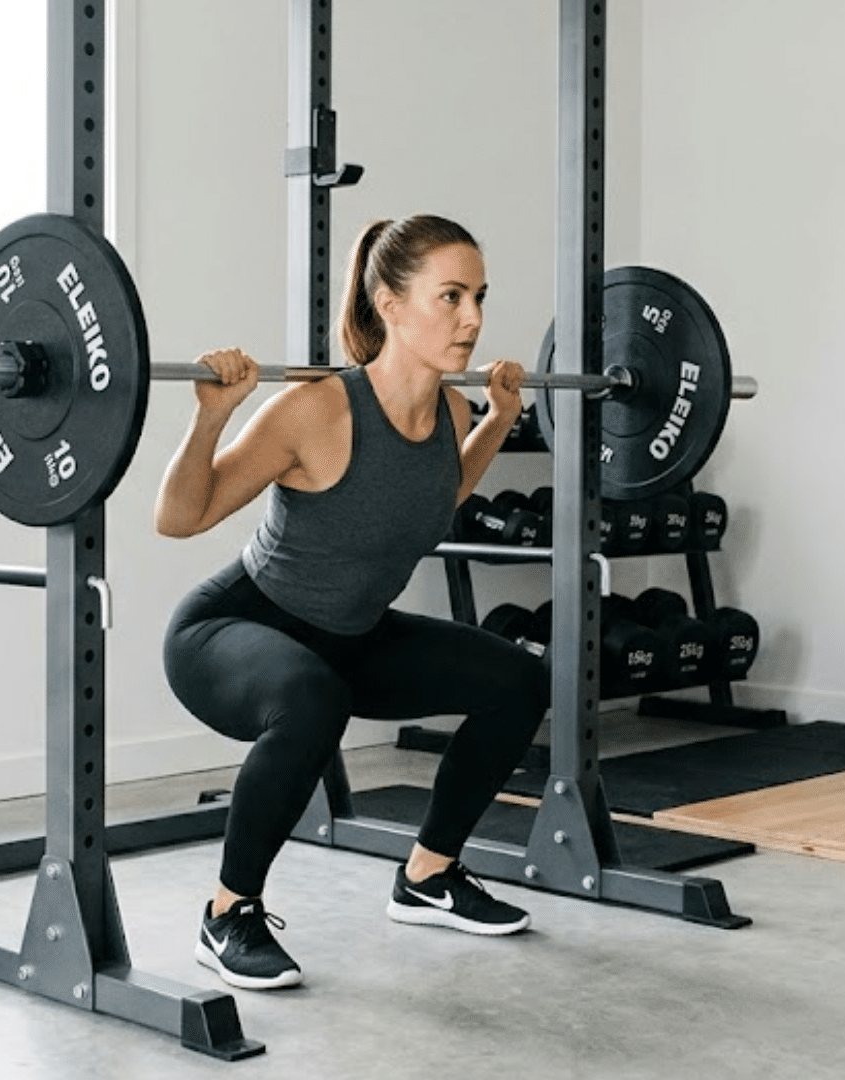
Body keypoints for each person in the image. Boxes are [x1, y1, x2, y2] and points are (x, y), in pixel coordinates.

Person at [156, 214, 551, 990]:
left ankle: (429, 876)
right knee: (312, 697)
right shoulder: (319, 409)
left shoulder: (456, 414)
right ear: (391, 305)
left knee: (518, 680)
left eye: (478, 297)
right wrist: (211, 415)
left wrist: (501, 419)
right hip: (235, 629)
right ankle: (227, 913)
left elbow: (434, 494)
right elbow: (179, 518)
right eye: (450, 297)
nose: (472, 318)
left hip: (350, 639)